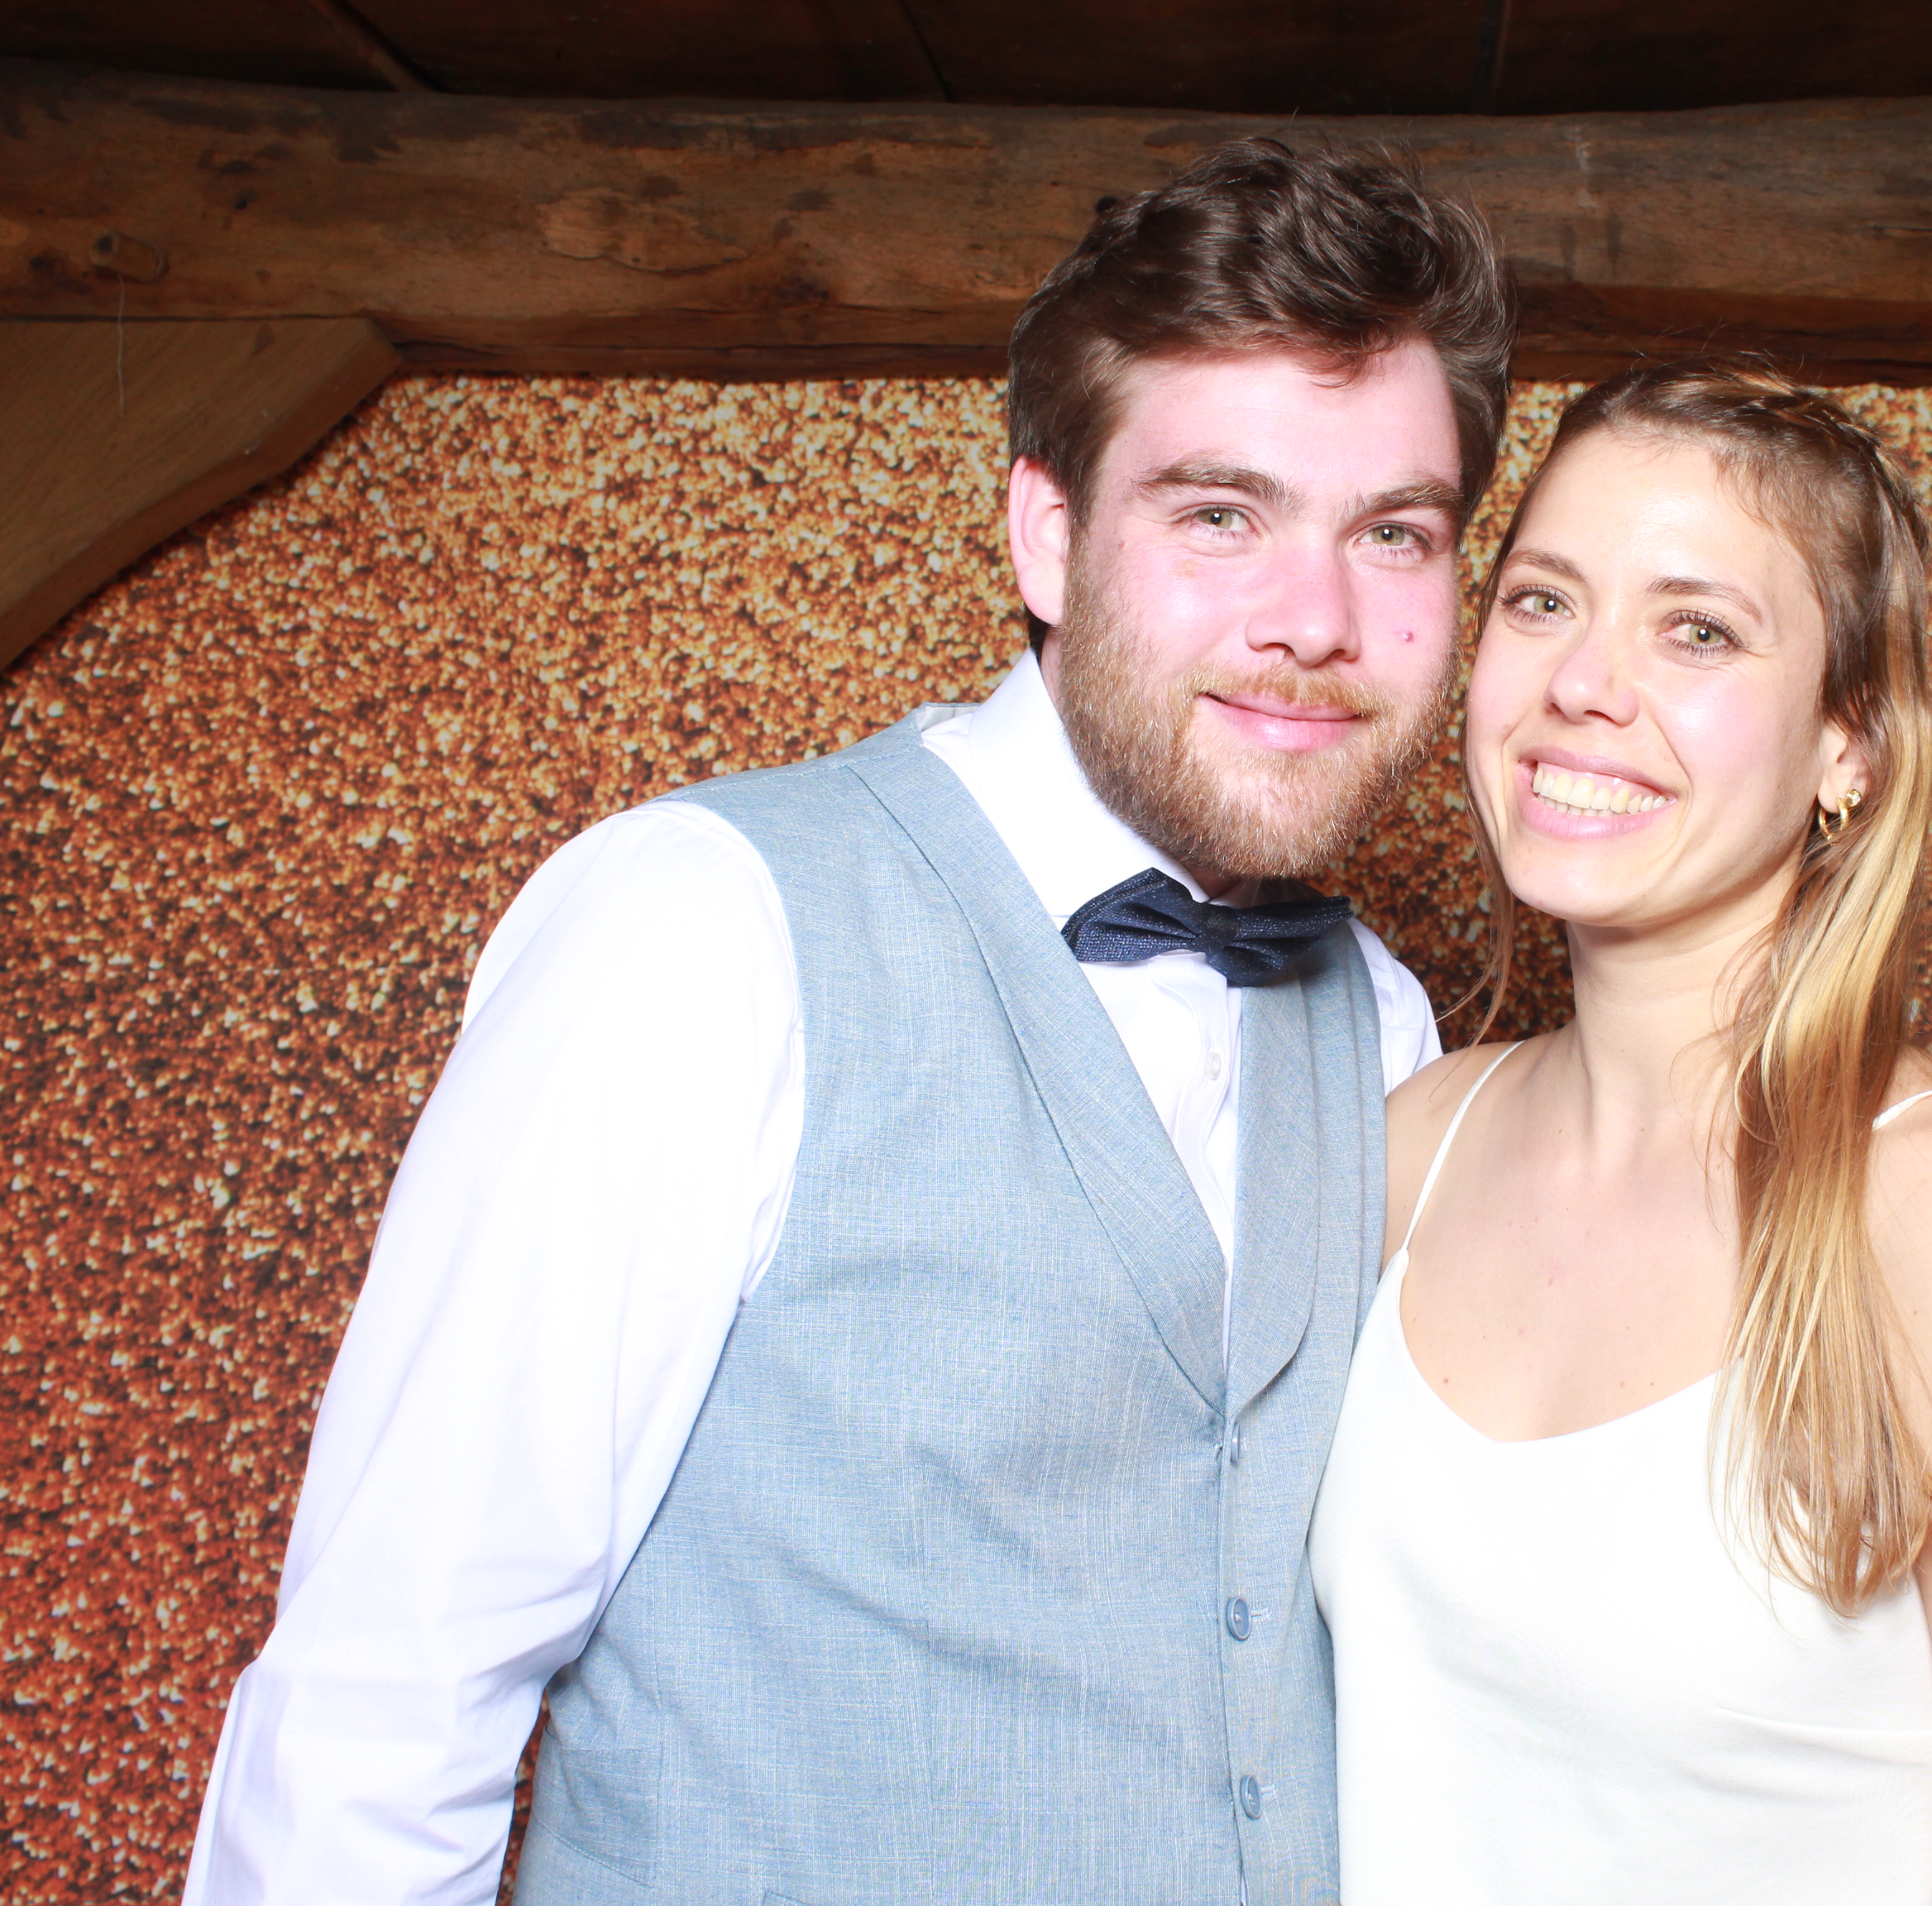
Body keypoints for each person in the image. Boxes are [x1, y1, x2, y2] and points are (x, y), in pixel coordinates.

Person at [183, 140, 1513, 1906]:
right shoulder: (699, 927)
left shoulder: (1388, 1027)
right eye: (1219, 515)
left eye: (1394, 534)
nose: (1316, 623)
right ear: (1048, 535)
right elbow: (384, 1699)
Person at [1309, 359, 1932, 1905]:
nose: (1586, 683)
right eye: (1543, 602)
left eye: (1699, 631)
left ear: (1848, 745)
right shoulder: (1408, 1149)